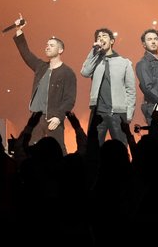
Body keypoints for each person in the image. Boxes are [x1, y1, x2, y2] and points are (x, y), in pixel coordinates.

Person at [11, 15, 76, 149]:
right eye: (47, 45)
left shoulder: (67, 73)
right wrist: (19, 30)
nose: (47, 47)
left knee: (58, 151)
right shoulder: (41, 67)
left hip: (53, 118)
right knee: (30, 150)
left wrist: (59, 117)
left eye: (51, 45)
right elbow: (26, 53)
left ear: (60, 50)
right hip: (36, 118)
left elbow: (69, 99)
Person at [80, 27, 136, 145]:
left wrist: (129, 114)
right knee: (93, 148)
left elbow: (130, 91)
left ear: (112, 41)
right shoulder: (95, 61)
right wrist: (94, 51)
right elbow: (85, 72)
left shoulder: (124, 62)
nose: (101, 38)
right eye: (98, 37)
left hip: (117, 113)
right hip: (98, 112)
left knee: (120, 148)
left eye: (104, 36)